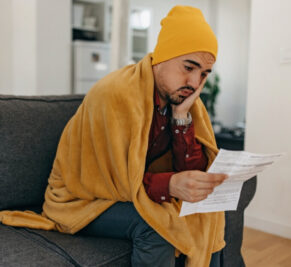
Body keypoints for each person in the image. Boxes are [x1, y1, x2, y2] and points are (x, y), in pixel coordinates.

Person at [0, 5, 227, 267]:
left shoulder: (184, 102)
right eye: (189, 67)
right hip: (83, 199)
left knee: (210, 217)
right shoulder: (115, 94)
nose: (195, 82)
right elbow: (108, 180)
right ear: (161, 57)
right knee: (158, 227)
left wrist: (181, 118)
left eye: (204, 74)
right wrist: (171, 185)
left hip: (129, 192)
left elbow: (193, 171)